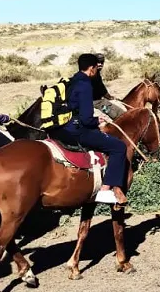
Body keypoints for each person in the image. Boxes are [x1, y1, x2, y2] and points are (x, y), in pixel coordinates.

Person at [50, 54, 130, 205]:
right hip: (77, 130)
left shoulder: (71, 81)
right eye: (95, 68)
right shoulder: (86, 85)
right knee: (118, 147)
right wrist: (96, 121)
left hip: (62, 127)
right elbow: (86, 119)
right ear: (92, 68)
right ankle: (105, 190)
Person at [90, 53, 128, 120]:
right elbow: (102, 91)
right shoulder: (92, 75)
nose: (100, 64)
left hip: (100, 101)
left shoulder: (96, 73)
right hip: (96, 103)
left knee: (121, 112)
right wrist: (110, 97)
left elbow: (102, 89)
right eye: (97, 62)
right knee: (116, 115)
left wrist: (110, 97)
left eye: (102, 62)